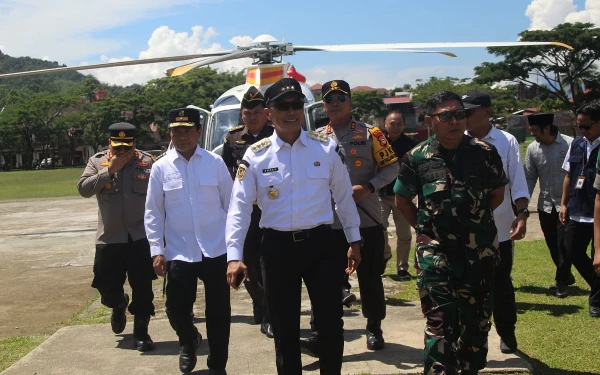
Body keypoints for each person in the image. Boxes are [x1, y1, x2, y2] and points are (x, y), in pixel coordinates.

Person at [225, 77, 362, 375]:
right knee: (284, 327)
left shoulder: (325, 149)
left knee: (330, 324)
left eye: (296, 104)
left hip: (323, 247)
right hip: (277, 249)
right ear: (268, 113)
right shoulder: (256, 155)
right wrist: (234, 256)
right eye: (283, 106)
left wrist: (354, 240)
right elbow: (239, 208)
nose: (291, 111)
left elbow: (344, 198)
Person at [395, 91, 507, 375]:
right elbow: (402, 200)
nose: (455, 121)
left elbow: (496, 194)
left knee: (477, 326)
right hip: (436, 254)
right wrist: (424, 230)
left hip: (478, 253)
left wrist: (472, 222)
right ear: (431, 120)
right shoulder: (417, 157)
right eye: (446, 116)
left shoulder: (485, 153)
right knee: (440, 324)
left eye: (460, 114)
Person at [301, 79, 398, 353]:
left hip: (365, 219)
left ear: (350, 103)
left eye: (340, 98)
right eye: (329, 99)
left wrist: (368, 187)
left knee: (369, 278)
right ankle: (322, 332)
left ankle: (374, 326)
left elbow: (392, 167)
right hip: (329, 224)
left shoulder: (373, 134)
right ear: (323, 105)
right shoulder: (315, 138)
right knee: (324, 281)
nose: (334, 104)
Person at [145, 108, 233, 374]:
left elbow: (231, 207)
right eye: (176, 131)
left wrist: (235, 250)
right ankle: (188, 339)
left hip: (215, 249)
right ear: (170, 133)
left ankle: (217, 365)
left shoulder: (214, 163)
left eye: (187, 130)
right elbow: (153, 212)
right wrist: (156, 251)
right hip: (179, 250)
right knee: (175, 308)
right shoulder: (161, 167)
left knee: (219, 313)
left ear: (198, 132)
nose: (181, 136)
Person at [77, 122, 156, 352]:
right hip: (109, 237)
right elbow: (83, 189)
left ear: (134, 144)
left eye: (127, 147)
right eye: (117, 146)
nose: (122, 152)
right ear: (110, 143)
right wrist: (109, 170)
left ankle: (141, 332)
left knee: (142, 287)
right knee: (105, 285)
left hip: (139, 237)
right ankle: (119, 302)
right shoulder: (97, 162)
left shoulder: (147, 163)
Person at [463, 89, 530, 354]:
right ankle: (472, 336)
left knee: (501, 283)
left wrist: (522, 214)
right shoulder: (456, 139)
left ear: (487, 112)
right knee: (468, 286)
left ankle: (507, 332)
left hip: (500, 229)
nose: (464, 117)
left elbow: (518, 181)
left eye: (470, 112)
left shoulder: (506, 141)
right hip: (465, 230)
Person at [221, 86, 274, 338]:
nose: (251, 117)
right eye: (246, 113)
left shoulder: (277, 135)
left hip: (272, 210)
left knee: (271, 263)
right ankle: (260, 303)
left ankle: (270, 311)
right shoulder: (232, 139)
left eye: (256, 112)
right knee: (249, 264)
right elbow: (226, 173)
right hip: (245, 213)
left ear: (265, 113)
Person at [524, 113, 575, 297]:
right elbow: (530, 177)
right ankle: (566, 275)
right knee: (553, 245)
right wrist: (523, 203)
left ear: (547, 128)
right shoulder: (532, 149)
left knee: (564, 245)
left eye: (535, 131)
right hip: (545, 205)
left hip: (566, 205)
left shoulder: (570, 144)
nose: (533, 134)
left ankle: (561, 282)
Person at [561, 100, 600, 317]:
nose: (583, 131)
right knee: (572, 251)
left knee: (598, 255)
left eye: (587, 126)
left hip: (598, 211)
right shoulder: (577, 144)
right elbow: (568, 175)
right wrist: (564, 204)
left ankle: (596, 300)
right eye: (580, 126)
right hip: (577, 207)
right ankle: (597, 286)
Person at [380, 110, 419, 279]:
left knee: (404, 234)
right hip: (381, 194)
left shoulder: (412, 144)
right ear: (385, 124)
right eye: (392, 123)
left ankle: (402, 268)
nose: (395, 127)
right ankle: (384, 254)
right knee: (378, 229)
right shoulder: (377, 142)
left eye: (399, 124)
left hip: (403, 196)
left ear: (403, 125)